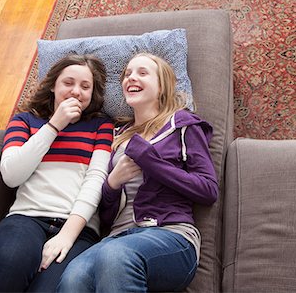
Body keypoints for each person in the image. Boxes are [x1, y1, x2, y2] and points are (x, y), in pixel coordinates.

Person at [57, 52, 218, 292]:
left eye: (142, 73)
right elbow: (108, 217)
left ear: (162, 87)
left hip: (170, 235)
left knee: (115, 255)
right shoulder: (118, 135)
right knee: (73, 276)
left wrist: (149, 160)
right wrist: (112, 184)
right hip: (118, 235)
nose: (131, 77)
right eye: (127, 74)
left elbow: (208, 190)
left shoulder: (183, 125)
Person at [0, 54, 114, 292]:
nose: (76, 91)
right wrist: (54, 125)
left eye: (85, 86)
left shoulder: (101, 126)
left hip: (78, 229)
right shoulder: (24, 121)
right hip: (26, 219)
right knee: (6, 265)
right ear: (53, 86)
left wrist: (66, 236)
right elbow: (12, 175)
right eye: (68, 83)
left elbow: (96, 180)